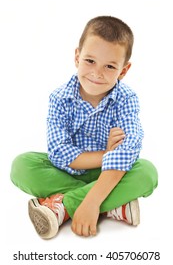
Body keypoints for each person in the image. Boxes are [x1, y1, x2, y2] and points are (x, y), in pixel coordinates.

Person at [10, 16, 158, 239]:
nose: (97, 73)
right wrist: (106, 154)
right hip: (66, 172)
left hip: (110, 173)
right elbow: (60, 153)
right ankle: (114, 206)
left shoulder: (126, 99)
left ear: (124, 70)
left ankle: (62, 207)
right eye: (90, 61)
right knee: (21, 166)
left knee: (147, 173)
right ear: (77, 57)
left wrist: (91, 202)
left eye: (109, 66)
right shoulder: (60, 98)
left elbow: (126, 151)